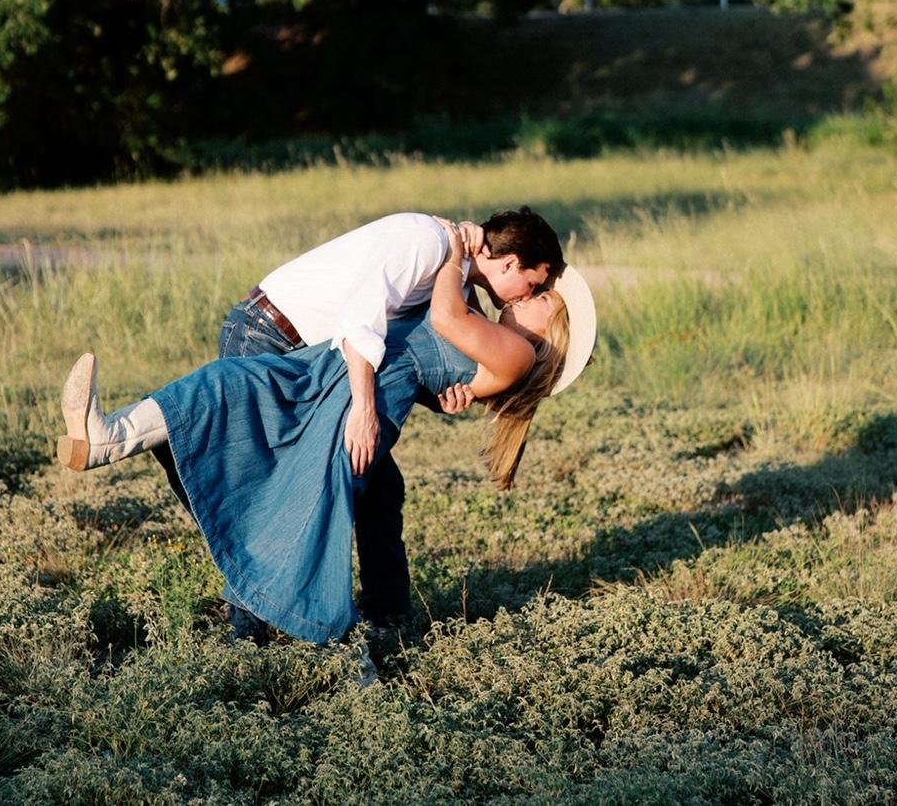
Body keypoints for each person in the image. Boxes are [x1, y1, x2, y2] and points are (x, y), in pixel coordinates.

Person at [56, 217, 597, 646]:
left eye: (540, 298)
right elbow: (426, 347)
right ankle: (105, 438)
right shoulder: (460, 287)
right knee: (225, 389)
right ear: (510, 260)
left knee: (304, 495)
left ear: (551, 333)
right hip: (329, 367)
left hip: (357, 391)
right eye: (535, 287)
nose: (526, 297)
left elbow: (442, 323)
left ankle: (304, 630)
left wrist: (454, 254)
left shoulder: (517, 351)